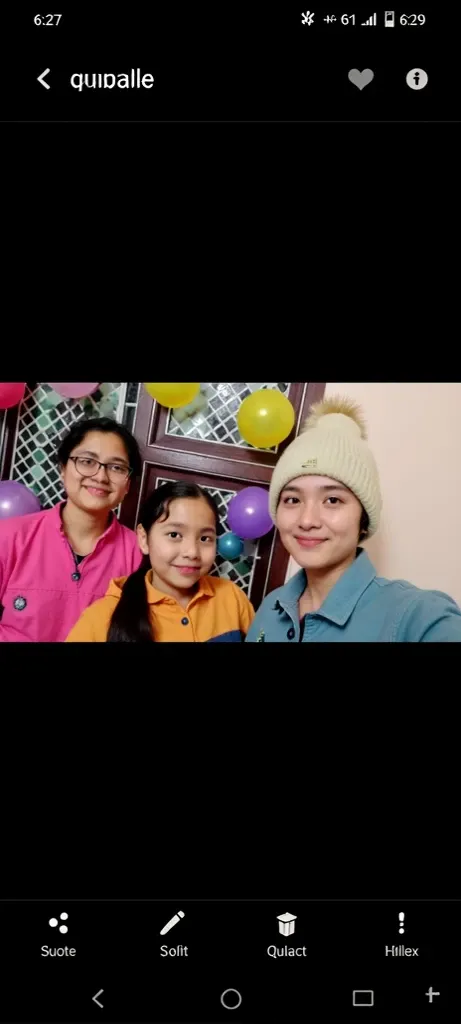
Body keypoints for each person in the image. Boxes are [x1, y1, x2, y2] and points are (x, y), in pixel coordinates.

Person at [246, 396, 461, 643]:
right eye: (293, 500)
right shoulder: (271, 607)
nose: (307, 520)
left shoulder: (418, 617)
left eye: (332, 500)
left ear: (363, 519)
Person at [0, 417, 143, 642]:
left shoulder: (139, 555)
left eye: (116, 467)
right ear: (63, 469)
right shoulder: (9, 537)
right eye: (87, 461)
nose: (100, 476)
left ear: (128, 484)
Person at [66, 481, 255, 642]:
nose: (192, 552)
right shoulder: (101, 619)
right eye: (174, 535)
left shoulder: (231, 598)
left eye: (205, 538)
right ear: (143, 538)